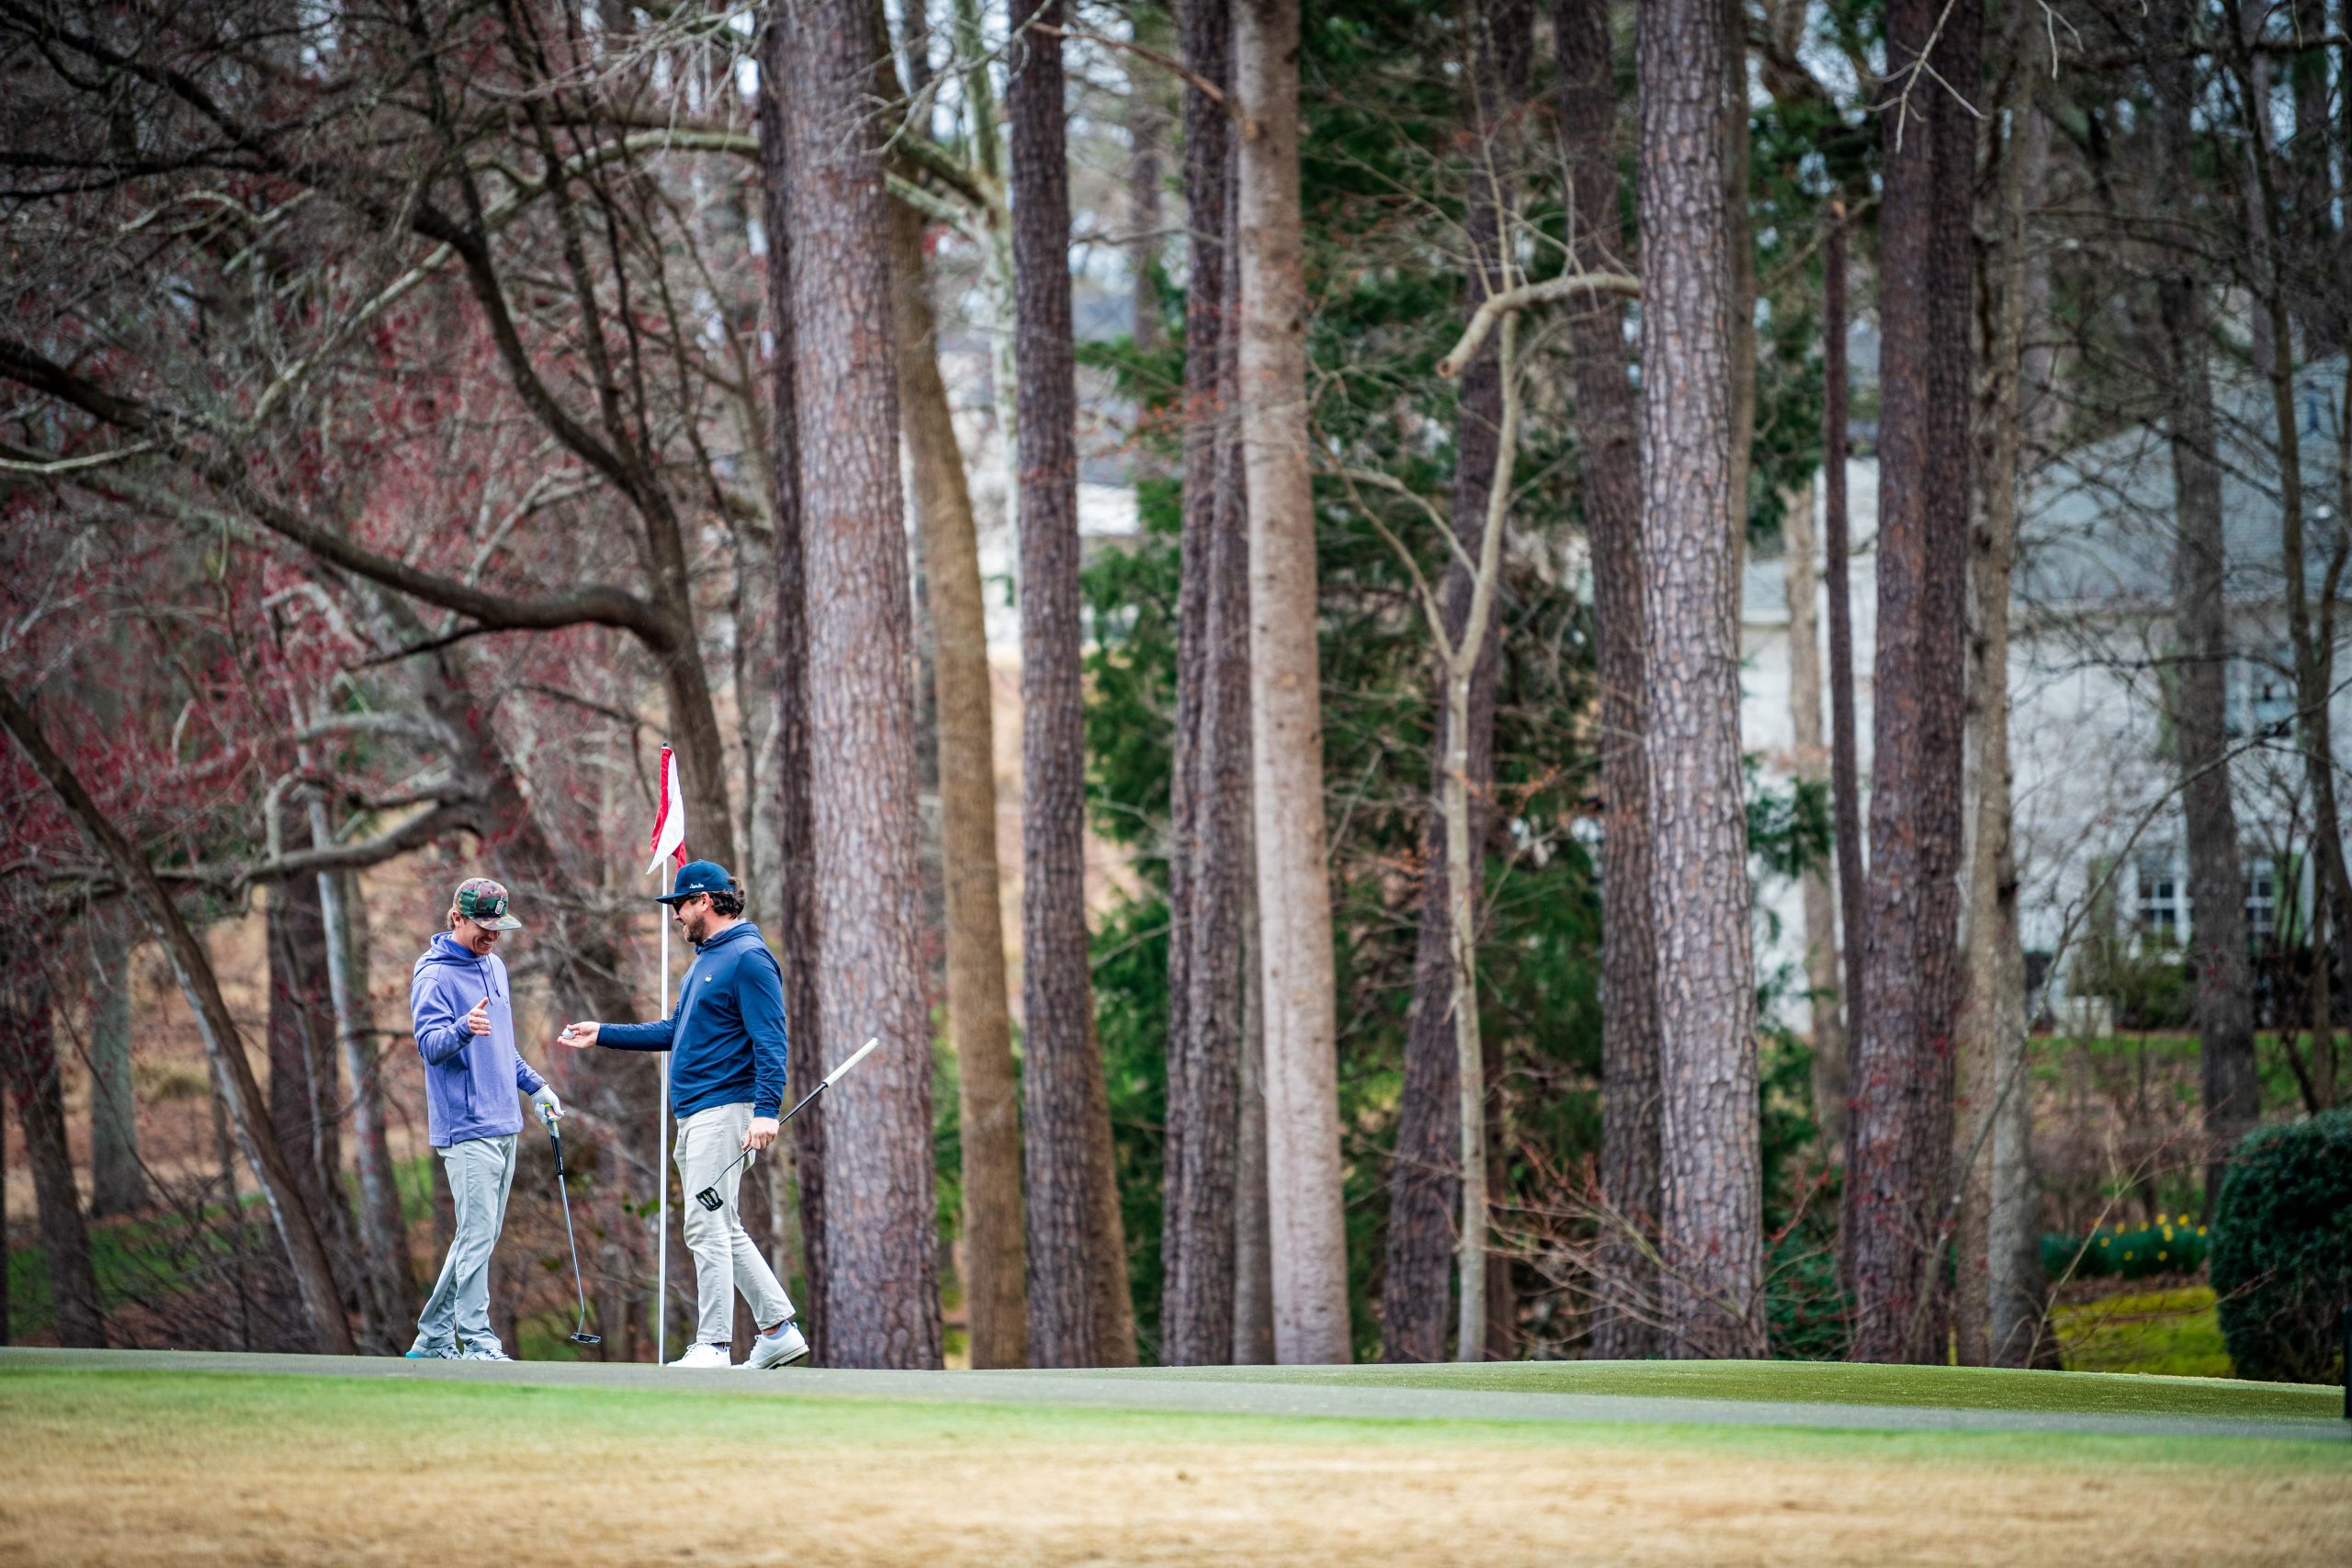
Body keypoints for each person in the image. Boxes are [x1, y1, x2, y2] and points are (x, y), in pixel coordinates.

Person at [559, 860, 808, 1371]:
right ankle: (778, 1330)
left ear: (705, 901)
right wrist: (603, 1033)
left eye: (680, 905)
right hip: (696, 1113)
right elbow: (675, 1030)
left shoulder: (748, 958)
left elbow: (771, 1040)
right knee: (723, 1225)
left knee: (704, 1225)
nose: (675, 915)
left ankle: (714, 1345)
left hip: (725, 1109)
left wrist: (766, 1111)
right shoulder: (706, 962)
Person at [404, 877, 561, 1361]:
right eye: (483, 926)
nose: (492, 936)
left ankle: (433, 1336)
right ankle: (477, 1339)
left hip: (504, 1120)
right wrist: (462, 1029)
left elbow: (503, 1048)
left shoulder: (495, 966)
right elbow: (430, 1046)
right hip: (466, 1125)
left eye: (498, 927)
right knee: (475, 1236)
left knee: (481, 1236)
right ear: (457, 918)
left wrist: (537, 1087)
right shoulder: (434, 977)